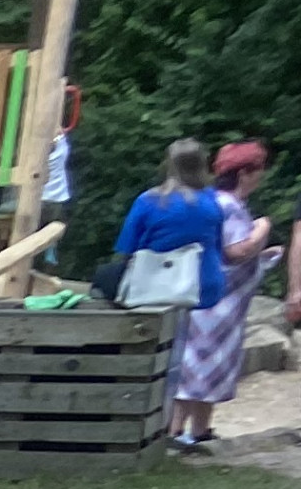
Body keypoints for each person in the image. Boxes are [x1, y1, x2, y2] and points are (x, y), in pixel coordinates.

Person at [116, 137, 237, 448]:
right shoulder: (212, 203)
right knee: (187, 354)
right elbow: (220, 248)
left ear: (169, 165)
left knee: (161, 355)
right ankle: (182, 427)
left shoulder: (149, 201)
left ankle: (158, 426)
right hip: (201, 286)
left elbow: (126, 247)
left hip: (157, 287)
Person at [165, 141, 279, 448]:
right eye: (258, 169)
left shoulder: (220, 202)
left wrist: (263, 255)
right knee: (196, 370)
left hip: (225, 308)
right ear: (244, 173)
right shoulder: (227, 205)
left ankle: (200, 431)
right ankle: (176, 432)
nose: (262, 175)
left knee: (208, 371)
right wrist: (261, 230)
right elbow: (235, 251)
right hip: (213, 306)